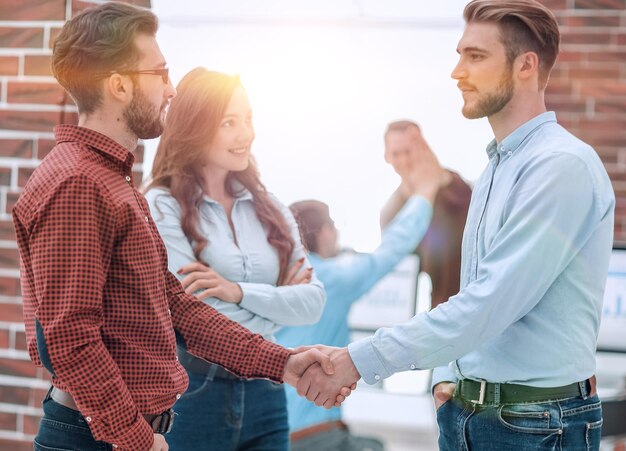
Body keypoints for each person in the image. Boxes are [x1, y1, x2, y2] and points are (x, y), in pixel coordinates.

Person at [11, 4, 345, 451]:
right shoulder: (79, 184)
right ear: (119, 85)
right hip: (99, 439)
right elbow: (69, 338)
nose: (171, 90)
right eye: (161, 73)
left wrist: (282, 361)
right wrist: (135, 439)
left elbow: (176, 306)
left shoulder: (111, 180)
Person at [296, 1, 615, 450]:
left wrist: (358, 359)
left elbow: (491, 303)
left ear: (526, 66)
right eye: (460, 54)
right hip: (470, 413)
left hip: (534, 424)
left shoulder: (560, 167)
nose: (457, 71)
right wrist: (448, 376)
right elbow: (470, 292)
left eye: (476, 56)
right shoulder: (494, 169)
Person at [143, 67, 326, 451]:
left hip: (268, 392)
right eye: (229, 122)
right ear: (195, 126)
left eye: (248, 119)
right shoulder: (162, 206)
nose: (246, 134)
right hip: (195, 391)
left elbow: (312, 304)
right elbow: (192, 315)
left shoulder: (271, 207)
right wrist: (277, 302)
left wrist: (236, 292)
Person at [276, 129, 445, 451]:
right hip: (315, 436)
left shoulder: (275, 277)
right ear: (324, 232)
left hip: (272, 433)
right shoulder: (329, 277)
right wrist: (426, 190)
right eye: (334, 227)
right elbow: (391, 250)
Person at [380, 120, 472, 308]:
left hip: (477, 300)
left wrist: (433, 174)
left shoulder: (452, 189)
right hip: (441, 309)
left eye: (409, 151)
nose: (404, 161)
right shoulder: (391, 213)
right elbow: (404, 274)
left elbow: (466, 199)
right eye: (396, 153)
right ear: (386, 156)